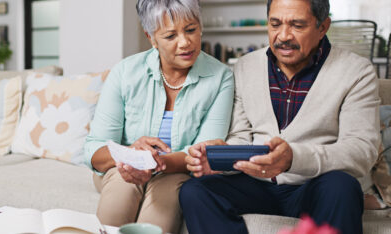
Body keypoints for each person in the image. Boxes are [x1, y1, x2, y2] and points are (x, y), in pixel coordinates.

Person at [180, 0, 380, 234]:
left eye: (297, 25)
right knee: (195, 190)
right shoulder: (245, 67)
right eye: (275, 24)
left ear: (323, 27)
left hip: (313, 185)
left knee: (342, 187)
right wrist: (219, 158)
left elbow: (361, 151)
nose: (283, 36)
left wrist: (293, 158)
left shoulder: (356, 71)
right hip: (256, 185)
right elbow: (241, 137)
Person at [84, 0, 234, 232]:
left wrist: (156, 162)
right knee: (122, 186)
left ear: (200, 26)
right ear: (151, 37)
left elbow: (205, 153)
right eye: (170, 36)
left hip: (177, 170)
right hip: (120, 167)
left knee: (159, 211)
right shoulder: (125, 72)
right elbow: (94, 148)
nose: (185, 43)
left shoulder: (221, 77)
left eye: (191, 30)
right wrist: (131, 157)